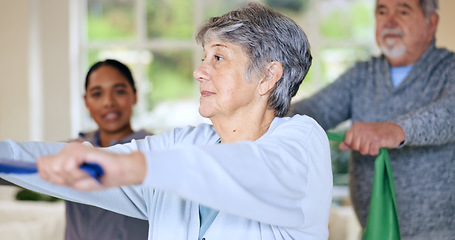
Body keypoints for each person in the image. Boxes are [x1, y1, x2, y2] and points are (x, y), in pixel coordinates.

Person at [0, 3, 332, 240]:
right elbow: (93, 165)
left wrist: (128, 167)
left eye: (218, 57)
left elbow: (241, 170)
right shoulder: (184, 143)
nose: (199, 71)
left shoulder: (301, 143)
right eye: (204, 58)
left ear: (268, 76)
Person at [289, 0, 455, 239]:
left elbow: (450, 114)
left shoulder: (449, 69)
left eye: (403, 10)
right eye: (382, 11)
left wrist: (396, 130)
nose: (389, 21)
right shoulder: (362, 75)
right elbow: (312, 111)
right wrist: (266, 115)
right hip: (373, 232)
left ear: (432, 22)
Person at [65, 59, 149, 240]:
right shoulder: (70, 150)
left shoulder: (154, 150)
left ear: (134, 95)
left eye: (119, 91)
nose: (108, 102)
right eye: (97, 94)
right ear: (86, 101)